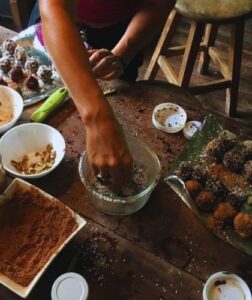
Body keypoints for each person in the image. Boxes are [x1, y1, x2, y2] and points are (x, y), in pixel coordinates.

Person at [38, 0, 174, 189]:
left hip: (124, 29)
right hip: (61, 27)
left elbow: (159, 4)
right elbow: (53, 8)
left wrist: (123, 53)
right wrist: (97, 119)